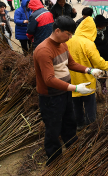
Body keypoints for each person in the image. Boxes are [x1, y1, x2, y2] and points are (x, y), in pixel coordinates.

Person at [33, 15, 100, 165]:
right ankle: (54, 158)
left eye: (72, 34)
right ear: (57, 30)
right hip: (51, 97)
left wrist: (89, 70)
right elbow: (49, 79)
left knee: (69, 120)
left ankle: (72, 146)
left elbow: (71, 64)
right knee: (53, 127)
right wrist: (75, 87)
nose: (70, 38)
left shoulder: (63, 45)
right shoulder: (44, 50)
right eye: (68, 34)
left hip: (65, 93)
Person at [66, 16, 108, 130]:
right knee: (89, 105)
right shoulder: (88, 43)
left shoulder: (68, 40)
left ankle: (79, 124)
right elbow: (98, 62)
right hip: (86, 80)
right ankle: (91, 125)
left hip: (71, 80)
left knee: (75, 104)